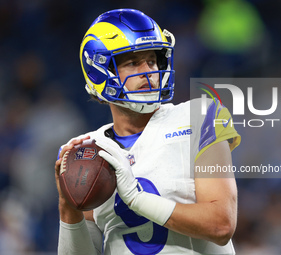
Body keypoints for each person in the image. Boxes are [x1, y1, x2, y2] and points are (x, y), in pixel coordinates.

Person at [55, 8, 241, 255]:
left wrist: (136, 198)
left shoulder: (202, 117)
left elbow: (221, 224)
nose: (149, 72)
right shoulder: (87, 150)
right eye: (133, 63)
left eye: (152, 61)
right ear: (99, 71)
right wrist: (69, 210)